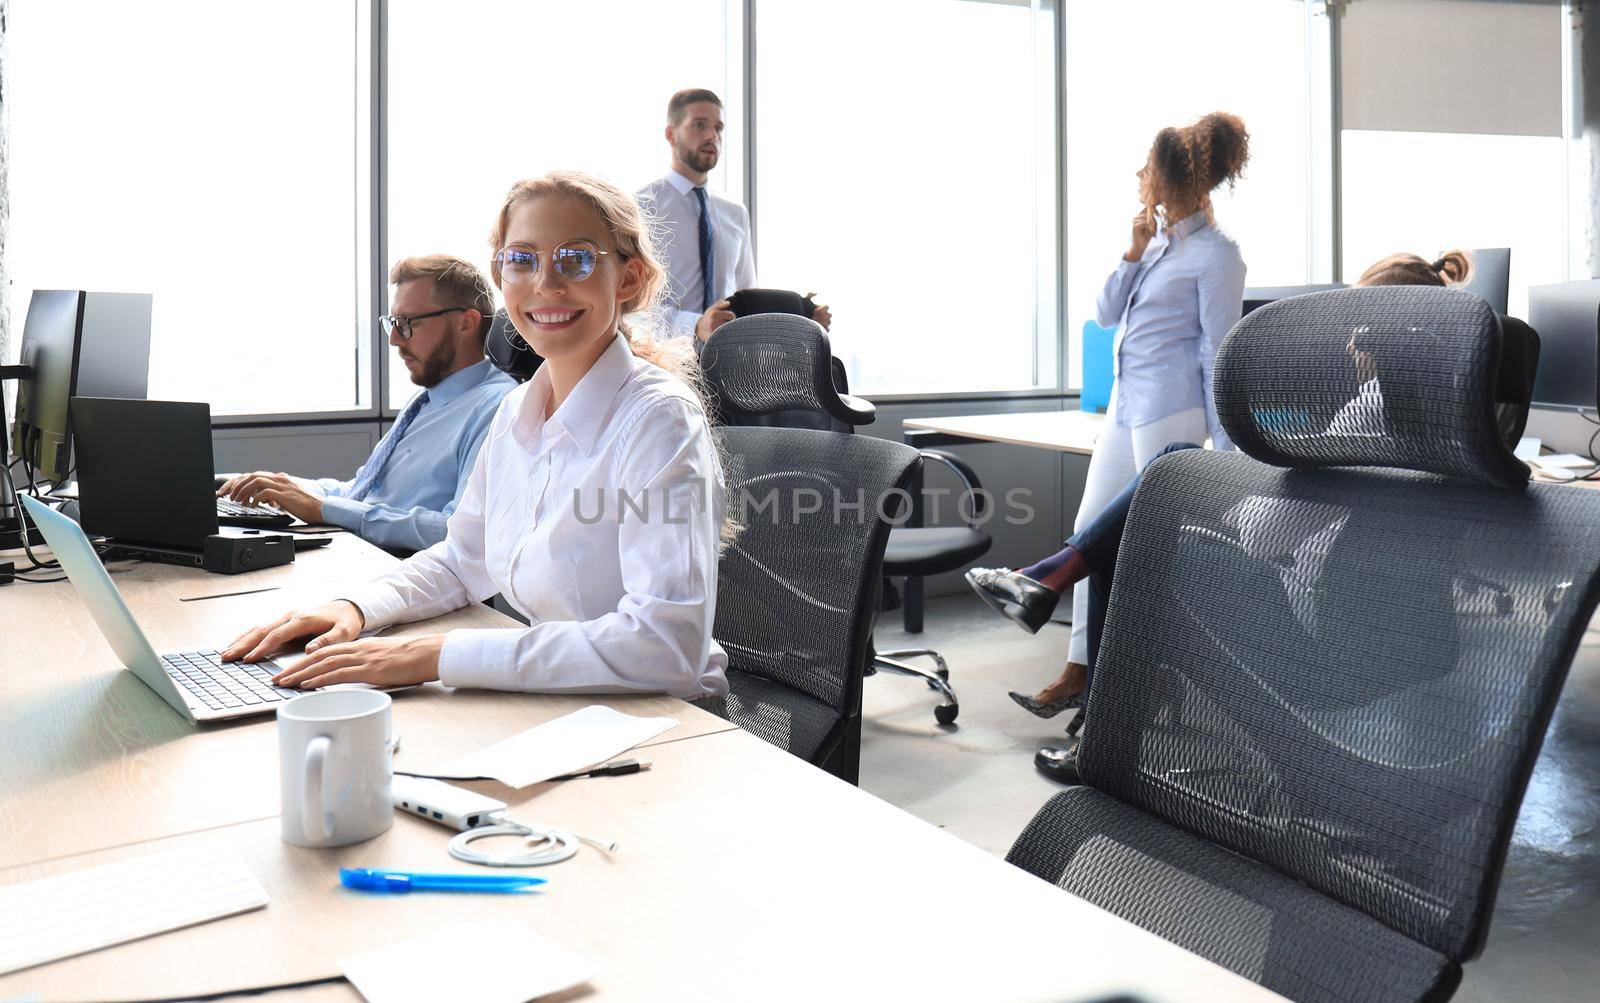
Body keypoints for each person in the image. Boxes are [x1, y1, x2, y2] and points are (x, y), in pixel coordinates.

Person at [968, 248, 1474, 783]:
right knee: (1170, 471)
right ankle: (1056, 594)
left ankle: (1101, 726)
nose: (1347, 341)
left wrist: (1234, 492)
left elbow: (1259, 536)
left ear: (1380, 335)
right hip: (1400, 639)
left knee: (1137, 537)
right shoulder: (1446, 413)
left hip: (1317, 644)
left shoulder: (1371, 413)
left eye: (1356, 327)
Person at [219, 171, 730, 700]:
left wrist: (431, 656)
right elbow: (464, 560)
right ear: (500, 275)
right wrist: (355, 609)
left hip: (662, 718)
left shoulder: (658, 420)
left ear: (627, 279)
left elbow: (664, 648)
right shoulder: (515, 412)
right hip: (563, 697)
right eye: (522, 260)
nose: (545, 284)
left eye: (575, 259)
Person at [217, 256, 516, 554]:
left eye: (408, 323)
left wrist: (323, 509)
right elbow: (362, 493)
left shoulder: (496, 408)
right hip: (364, 553)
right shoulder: (427, 399)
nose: (395, 340)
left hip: (407, 572)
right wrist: (287, 488)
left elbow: (456, 530)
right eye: (393, 323)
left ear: (466, 324)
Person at [637, 88, 831, 342]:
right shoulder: (640, 208)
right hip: (665, 363)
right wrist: (695, 325)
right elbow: (632, 308)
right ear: (671, 134)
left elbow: (746, 299)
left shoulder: (734, 213)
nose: (711, 136)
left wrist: (803, 318)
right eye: (699, 125)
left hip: (728, 363)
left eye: (718, 128)